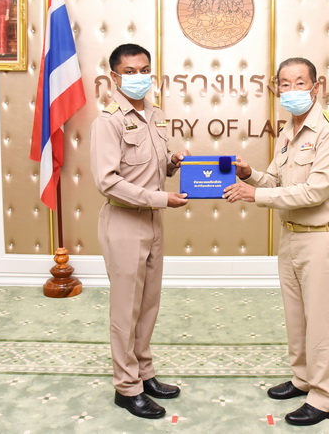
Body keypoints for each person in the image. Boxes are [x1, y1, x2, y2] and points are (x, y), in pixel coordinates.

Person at [223, 57, 329, 427]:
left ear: (316, 87)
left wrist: (254, 195)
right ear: (277, 89)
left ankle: (325, 397)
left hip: (321, 238)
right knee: (296, 317)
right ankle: (303, 379)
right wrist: (251, 174)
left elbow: (315, 191)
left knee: (320, 322)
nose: (292, 90)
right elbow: (277, 180)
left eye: (300, 83)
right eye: (285, 84)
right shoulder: (288, 131)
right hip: (291, 235)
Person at [90, 43, 190, 420]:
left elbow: (153, 168)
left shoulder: (156, 114)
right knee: (125, 309)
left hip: (153, 221)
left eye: (144, 70)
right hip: (124, 221)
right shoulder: (108, 121)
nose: (139, 77)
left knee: (148, 304)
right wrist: (161, 198)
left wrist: (172, 163)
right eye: (129, 71)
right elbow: (108, 182)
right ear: (114, 77)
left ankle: (144, 373)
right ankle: (126, 388)